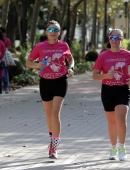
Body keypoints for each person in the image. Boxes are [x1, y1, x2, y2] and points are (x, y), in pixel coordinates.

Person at [26, 20, 74, 159]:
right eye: (50, 30)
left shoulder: (63, 45)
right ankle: (52, 138)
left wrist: (71, 68)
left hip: (60, 81)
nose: (53, 33)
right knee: (49, 115)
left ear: (59, 33)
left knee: (55, 113)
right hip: (45, 82)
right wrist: (37, 65)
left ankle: (54, 146)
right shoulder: (40, 46)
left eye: (56, 30)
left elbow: (71, 59)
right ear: (46, 32)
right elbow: (28, 62)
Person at [92, 29, 130, 161]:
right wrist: (106, 75)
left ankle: (122, 147)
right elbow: (95, 76)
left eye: (117, 37)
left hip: (123, 89)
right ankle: (113, 147)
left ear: (122, 39)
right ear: (109, 39)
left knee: (121, 118)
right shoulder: (103, 55)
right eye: (112, 37)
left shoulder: (127, 54)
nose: (114, 40)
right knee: (112, 122)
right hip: (107, 90)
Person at [0, 27, 11, 93]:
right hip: (4, 58)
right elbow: (9, 48)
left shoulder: (4, 40)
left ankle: (5, 87)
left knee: (4, 72)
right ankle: (6, 87)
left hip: (3, 57)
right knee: (5, 72)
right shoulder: (6, 40)